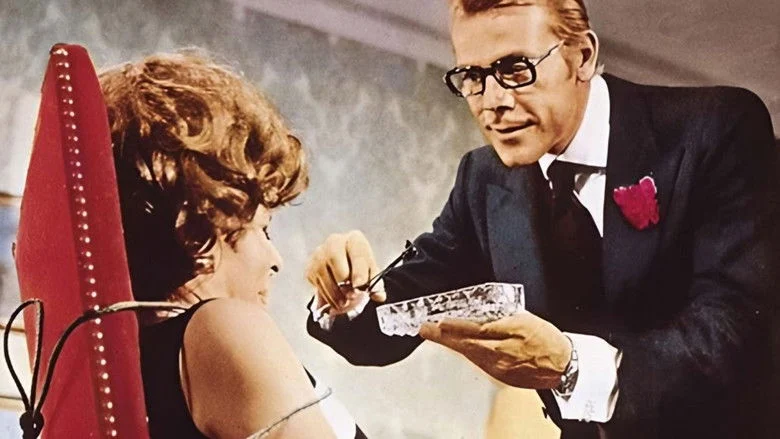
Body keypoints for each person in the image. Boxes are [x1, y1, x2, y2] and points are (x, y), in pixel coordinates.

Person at [304, 1, 779, 438]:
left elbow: (735, 332)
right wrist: (348, 297)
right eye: (472, 76)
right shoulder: (483, 180)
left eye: (515, 68)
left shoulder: (715, 129)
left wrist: (570, 365)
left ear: (583, 57)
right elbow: (395, 317)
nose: (492, 101)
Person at [100, 51, 365, 439]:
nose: (276, 260)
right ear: (193, 228)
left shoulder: (130, 360)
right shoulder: (222, 327)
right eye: (263, 229)